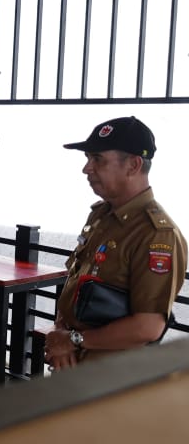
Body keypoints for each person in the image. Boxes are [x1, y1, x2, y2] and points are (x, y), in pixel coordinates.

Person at [45, 116, 185, 371]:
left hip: (110, 377)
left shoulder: (156, 235)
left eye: (97, 159)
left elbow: (148, 327)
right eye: (87, 158)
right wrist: (59, 333)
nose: (86, 168)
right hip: (74, 364)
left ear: (133, 165)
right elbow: (77, 280)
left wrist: (73, 340)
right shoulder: (102, 216)